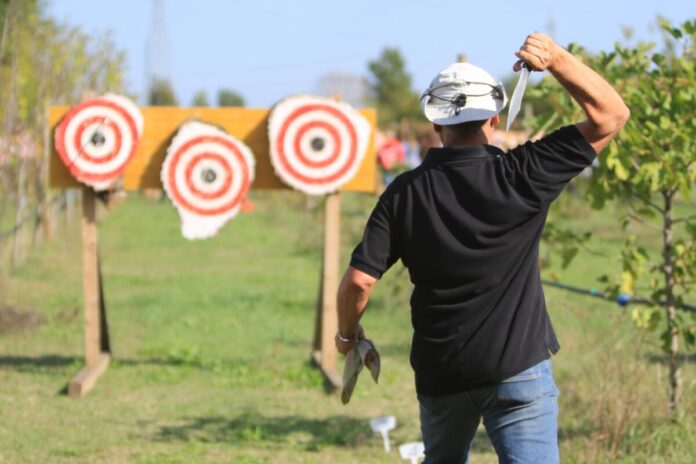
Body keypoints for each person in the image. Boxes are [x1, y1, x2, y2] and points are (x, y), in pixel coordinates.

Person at [335, 33, 629, 463]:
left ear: (435, 124)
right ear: (494, 119)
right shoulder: (525, 173)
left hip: (442, 373)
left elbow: (359, 282)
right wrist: (555, 59)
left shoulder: (403, 193)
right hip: (518, 367)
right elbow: (612, 114)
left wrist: (347, 336)